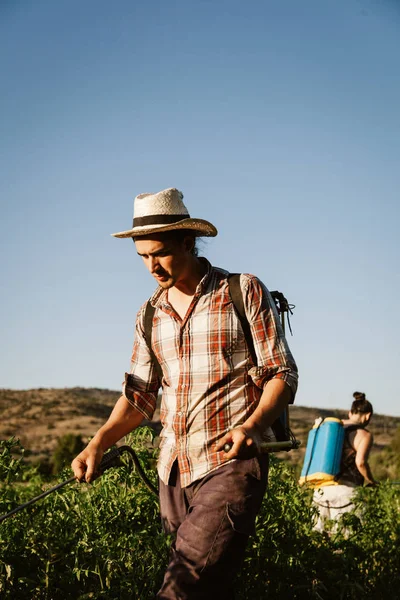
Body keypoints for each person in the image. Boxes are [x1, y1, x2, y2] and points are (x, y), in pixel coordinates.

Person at [71, 187, 298, 599]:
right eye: (142, 256)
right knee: (207, 589)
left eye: (160, 253)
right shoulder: (149, 313)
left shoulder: (241, 291)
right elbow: (140, 397)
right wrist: (97, 443)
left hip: (229, 464)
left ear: (189, 242)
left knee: (181, 587)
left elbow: (281, 372)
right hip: (172, 473)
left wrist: (253, 425)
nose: (151, 266)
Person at [312, 392, 377, 533]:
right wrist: (371, 481)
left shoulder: (329, 428)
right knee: (346, 540)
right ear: (368, 415)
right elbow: (360, 463)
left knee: (318, 539)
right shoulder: (363, 434)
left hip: (320, 490)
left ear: (350, 413)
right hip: (345, 491)